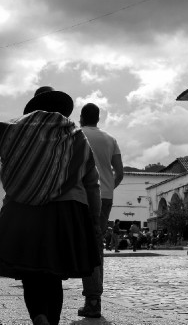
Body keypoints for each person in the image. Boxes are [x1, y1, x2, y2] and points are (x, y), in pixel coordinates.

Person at [0, 86, 101, 325]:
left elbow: (12, 177)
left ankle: (39, 316)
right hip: (66, 212)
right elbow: (92, 183)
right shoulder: (76, 136)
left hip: (25, 212)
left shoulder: (18, 137)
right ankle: (50, 322)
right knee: (53, 275)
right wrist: (94, 220)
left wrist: (9, 209)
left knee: (31, 273)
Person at [78, 101, 124, 317]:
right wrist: (107, 189)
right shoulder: (110, 139)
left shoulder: (76, 135)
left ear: (81, 117)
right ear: (98, 118)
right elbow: (120, 172)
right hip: (104, 197)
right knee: (96, 246)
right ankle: (94, 299)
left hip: (79, 195)